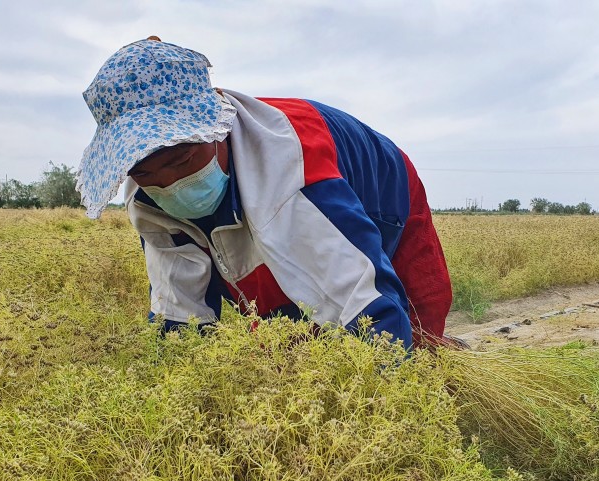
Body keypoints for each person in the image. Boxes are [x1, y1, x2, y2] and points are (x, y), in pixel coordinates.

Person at [76, 37, 460, 350]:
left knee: (414, 327)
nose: (167, 184)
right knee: (279, 331)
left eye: (182, 161)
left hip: (382, 190)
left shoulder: (286, 161)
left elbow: (362, 303)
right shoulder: (146, 200)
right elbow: (178, 314)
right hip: (277, 202)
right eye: (145, 172)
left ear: (215, 129)